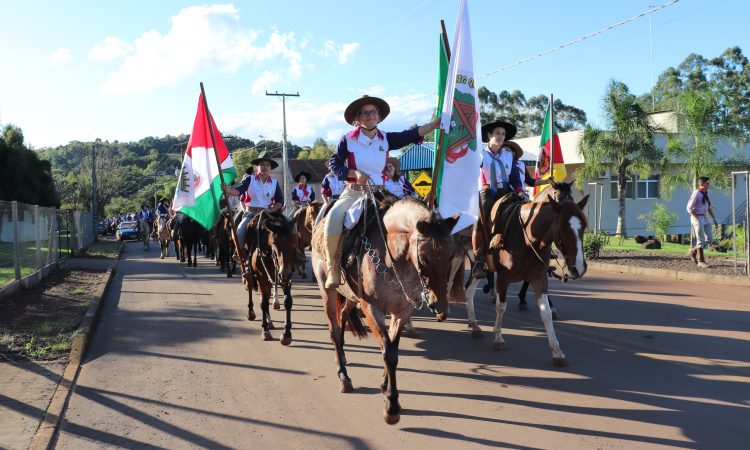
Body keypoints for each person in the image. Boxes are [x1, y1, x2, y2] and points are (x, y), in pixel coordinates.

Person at [323, 95, 440, 289]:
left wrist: (435, 124)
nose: (370, 115)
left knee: (412, 219)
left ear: (379, 116)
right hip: (355, 192)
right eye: (365, 112)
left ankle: (412, 267)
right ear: (357, 119)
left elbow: (411, 134)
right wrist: (352, 172)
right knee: (334, 218)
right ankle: (333, 267)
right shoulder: (347, 140)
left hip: (381, 194)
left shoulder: (385, 138)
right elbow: (334, 163)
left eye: (373, 112)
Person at [471, 120, 522, 278]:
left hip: (506, 190)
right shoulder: (480, 154)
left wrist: (519, 190)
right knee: (480, 218)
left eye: (503, 134)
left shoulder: (508, 156)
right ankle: (478, 258)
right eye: (497, 133)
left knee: (524, 209)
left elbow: (514, 177)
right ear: (489, 135)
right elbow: (473, 170)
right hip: (487, 191)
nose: (500, 136)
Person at [220, 151, 284, 259]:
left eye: (268, 165)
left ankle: (289, 256)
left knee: (287, 228)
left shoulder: (274, 183)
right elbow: (238, 191)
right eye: (262, 164)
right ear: (257, 166)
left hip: (267, 215)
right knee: (239, 232)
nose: (265, 167)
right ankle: (240, 253)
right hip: (250, 214)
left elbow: (280, 202)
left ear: (270, 168)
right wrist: (228, 190)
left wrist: (271, 210)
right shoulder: (250, 179)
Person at [686, 176, 718, 268]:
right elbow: (688, 208)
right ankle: (701, 261)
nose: (709, 184)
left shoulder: (705, 193)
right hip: (697, 217)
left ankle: (693, 252)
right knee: (701, 239)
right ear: (701, 184)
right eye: (707, 183)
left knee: (710, 239)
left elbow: (708, 207)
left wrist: (714, 219)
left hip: (704, 217)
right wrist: (696, 218)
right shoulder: (696, 194)